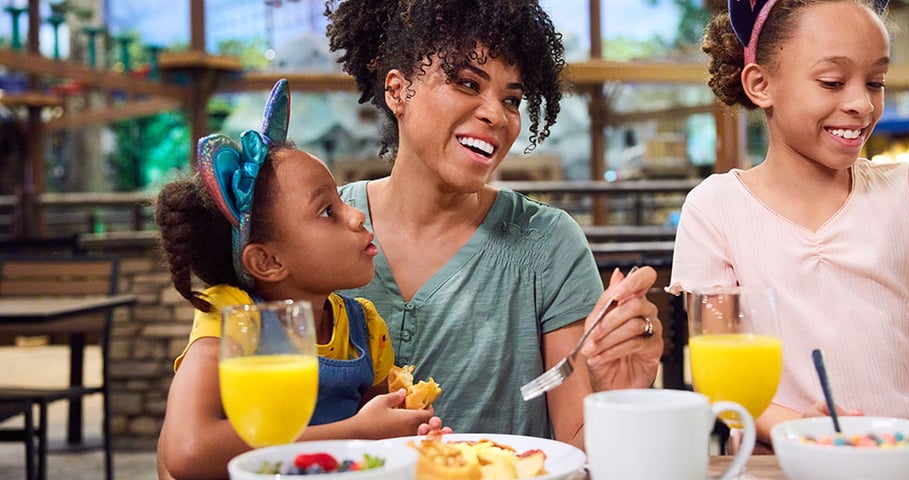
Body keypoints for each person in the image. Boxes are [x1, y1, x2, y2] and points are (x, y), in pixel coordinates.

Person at [323, 0, 665, 448]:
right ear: (397, 90)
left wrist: (617, 394)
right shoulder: (320, 229)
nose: (496, 115)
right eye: (467, 83)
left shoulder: (549, 245)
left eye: (511, 100)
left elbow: (577, 448)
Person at [668, 0, 909, 449]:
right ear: (761, 84)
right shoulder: (715, 208)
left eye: (876, 82)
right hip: (778, 461)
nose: (862, 103)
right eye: (832, 82)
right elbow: (720, 380)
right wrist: (801, 428)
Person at [154, 80, 442, 480]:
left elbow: (379, 442)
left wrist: (407, 432)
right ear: (268, 261)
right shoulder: (232, 316)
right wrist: (355, 433)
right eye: (328, 211)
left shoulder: (364, 328)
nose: (357, 216)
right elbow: (186, 452)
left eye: (342, 200)